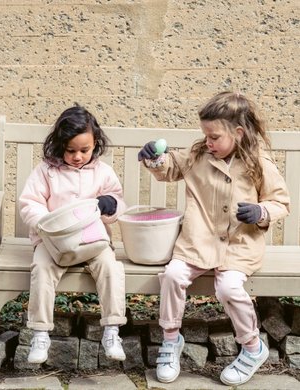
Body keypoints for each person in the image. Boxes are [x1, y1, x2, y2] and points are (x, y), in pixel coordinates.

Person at [138, 91, 290, 386]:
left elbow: (280, 202)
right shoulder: (199, 154)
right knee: (171, 275)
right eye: (205, 134)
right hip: (198, 240)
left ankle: (252, 347)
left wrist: (261, 211)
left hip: (238, 245)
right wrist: (154, 158)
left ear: (238, 132)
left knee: (230, 289)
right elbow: (171, 167)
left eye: (215, 136)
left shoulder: (258, 162)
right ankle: (171, 341)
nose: (208, 141)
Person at [19, 105, 127, 364]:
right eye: (71, 150)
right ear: (59, 145)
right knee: (42, 269)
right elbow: (29, 202)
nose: (78, 156)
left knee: (111, 267)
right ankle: (41, 332)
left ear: (95, 144)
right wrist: (45, 223)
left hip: (93, 239)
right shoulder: (46, 171)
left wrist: (109, 204)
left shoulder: (102, 171)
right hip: (55, 242)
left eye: (84, 150)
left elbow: (118, 201)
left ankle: (112, 330)